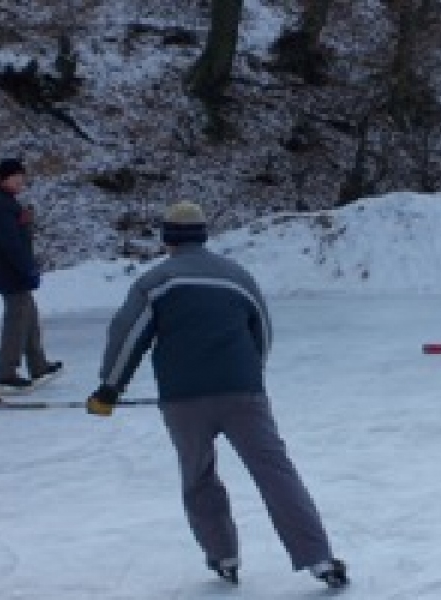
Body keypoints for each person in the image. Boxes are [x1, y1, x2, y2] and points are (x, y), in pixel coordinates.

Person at [85, 201, 348, 589]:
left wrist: (109, 389)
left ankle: (223, 556)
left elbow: (126, 335)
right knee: (276, 474)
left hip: (183, 400)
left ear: (167, 237)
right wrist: (249, 375)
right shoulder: (238, 277)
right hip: (243, 394)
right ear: (204, 235)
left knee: (198, 476)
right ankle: (318, 557)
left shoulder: (156, 282)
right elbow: (262, 333)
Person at [0, 158, 62, 391]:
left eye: (22, 178)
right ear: (3, 179)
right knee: (17, 321)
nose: (21, 182)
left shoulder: (6, 202)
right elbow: (10, 243)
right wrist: (26, 268)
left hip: (10, 269)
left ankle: (37, 364)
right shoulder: (0, 205)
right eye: (16, 178)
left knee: (28, 316)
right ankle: (5, 373)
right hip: (9, 271)